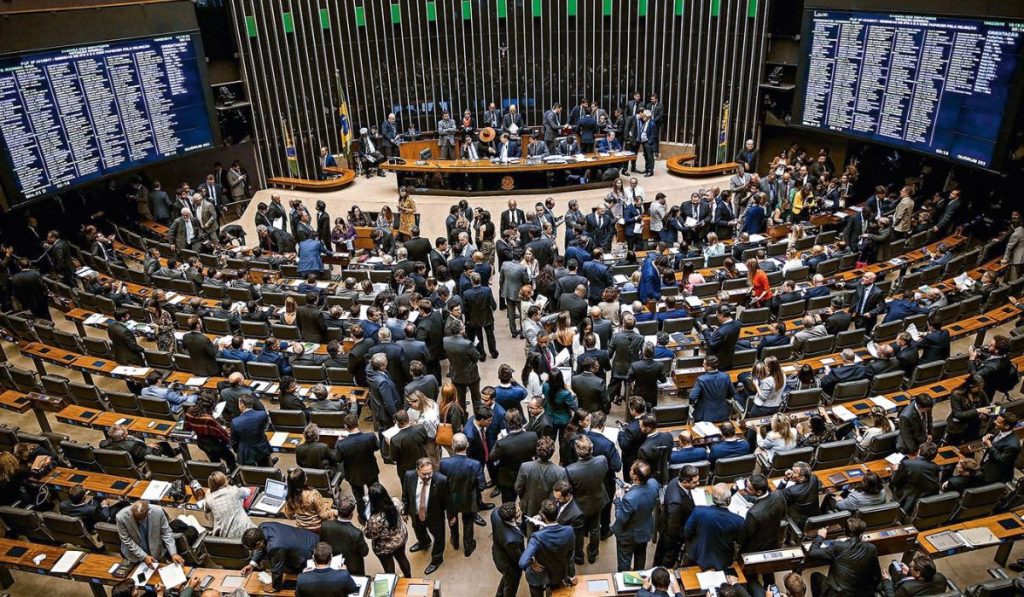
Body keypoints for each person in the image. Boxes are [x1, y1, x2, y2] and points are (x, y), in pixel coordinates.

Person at [807, 518, 881, 597]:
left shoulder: (838, 546)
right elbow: (877, 576)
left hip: (838, 594)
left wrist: (820, 537)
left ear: (845, 532)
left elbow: (812, 553)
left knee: (815, 576)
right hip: (863, 593)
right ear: (861, 534)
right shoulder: (871, 548)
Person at [566, 435, 610, 563]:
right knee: (595, 529)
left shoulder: (570, 470)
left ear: (577, 450)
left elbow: (568, 489)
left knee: (578, 532)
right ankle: (592, 553)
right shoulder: (602, 460)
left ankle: (579, 556)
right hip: (597, 500)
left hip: (579, 505)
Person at [519, 498, 577, 596]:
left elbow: (522, 562)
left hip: (538, 575)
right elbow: (570, 556)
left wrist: (532, 562)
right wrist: (571, 575)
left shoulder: (537, 537)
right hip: (558, 571)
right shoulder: (569, 531)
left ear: (543, 516)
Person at [402, 458, 450, 575]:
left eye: (430, 473)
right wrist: (405, 511)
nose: (428, 476)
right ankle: (424, 542)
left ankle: (436, 560)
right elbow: (406, 495)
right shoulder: (409, 476)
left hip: (435, 516)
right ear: (417, 470)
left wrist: (451, 516)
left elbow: (448, 500)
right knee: (418, 530)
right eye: (424, 474)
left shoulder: (441, 480)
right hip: (416, 513)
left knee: (439, 538)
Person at [440, 433, 485, 555]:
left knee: (452, 521)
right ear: (468, 445)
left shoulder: (443, 463)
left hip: (451, 500)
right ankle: (468, 547)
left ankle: (455, 542)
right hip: (469, 499)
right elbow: (482, 485)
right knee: (468, 522)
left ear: (452, 446)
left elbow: (440, 483)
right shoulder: (475, 464)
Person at [682, 482, 744, 571]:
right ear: (728, 500)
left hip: (697, 554)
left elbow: (687, 531)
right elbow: (740, 541)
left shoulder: (698, 511)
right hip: (723, 559)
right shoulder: (739, 520)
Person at [241, 522, 319, 591]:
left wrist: (275, 587)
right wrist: (252, 565)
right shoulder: (263, 527)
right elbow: (262, 546)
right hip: (308, 537)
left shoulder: (275, 547)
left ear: (258, 543)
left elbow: (276, 570)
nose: (253, 551)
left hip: (310, 552)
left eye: (252, 549)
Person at [611, 460, 659, 571]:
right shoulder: (653, 484)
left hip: (629, 535)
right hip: (645, 529)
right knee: (641, 555)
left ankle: (625, 580)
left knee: (624, 561)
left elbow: (620, 518)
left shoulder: (629, 499)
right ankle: (639, 575)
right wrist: (632, 488)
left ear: (635, 477)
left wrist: (618, 501)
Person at [335, 413, 380, 516]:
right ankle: (376, 512)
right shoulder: (370, 436)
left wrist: (338, 442)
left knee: (359, 498)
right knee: (375, 493)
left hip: (354, 475)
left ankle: (363, 516)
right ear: (358, 423)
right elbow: (377, 448)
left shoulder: (342, 444)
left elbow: (338, 459)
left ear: (346, 427)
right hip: (371, 471)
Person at [653, 465, 699, 568]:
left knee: (660, 551)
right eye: (695, 482)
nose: (698, 483)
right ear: (685, 482)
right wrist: (681, 538)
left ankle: (656, 566)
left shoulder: (675, 480)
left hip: (664, 523)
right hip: (671, 535)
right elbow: (673, 528)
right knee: (668, 557)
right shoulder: (677, 503)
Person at [363, 483, 412, 576]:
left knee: (388, 567)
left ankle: (392, 581)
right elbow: (402, 511)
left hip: (385, 547)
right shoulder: (396, 502)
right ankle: (408, 577)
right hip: (400, 538)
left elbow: (369, 535)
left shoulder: (375, 520)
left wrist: (366, 524)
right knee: (402, 558)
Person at [115, 500, 185, 566]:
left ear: (148, 512)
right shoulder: (121, 517)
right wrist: (144, 556)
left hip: (156, 552)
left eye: (141, 518)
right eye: (136, 518)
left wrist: (173, 553)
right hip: (133, 556)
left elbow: (166, 532)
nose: (139, 521)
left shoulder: (158, 511)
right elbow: (126, 539)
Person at [492, 410, 538, 504]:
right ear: (521, 420)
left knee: (508, 504)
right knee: (526, 502)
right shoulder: (533, 436)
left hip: (508, 479)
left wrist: (499, 439)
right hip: (527, 475)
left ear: (506, 423)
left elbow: (492, 457)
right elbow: (535, 453)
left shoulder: (502, 443)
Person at [516, 436, 568, 520]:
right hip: (549, 510)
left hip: (529, 506)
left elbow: (518, 488)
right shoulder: (560, 471)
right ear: (553, 452)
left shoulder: (525, 466)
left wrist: (525, 498)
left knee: (529, 529)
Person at [193, 471, 255, 538]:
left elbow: (207, 516)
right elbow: (248, 492)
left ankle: (198, 491)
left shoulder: (209, 498)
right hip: (247, 532)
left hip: (224, 538)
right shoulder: (233, 490)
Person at [318, 498, 369, 576]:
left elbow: (321, 543)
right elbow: (364, 552)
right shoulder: (356, 533)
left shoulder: (325, 525)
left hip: (331, 563)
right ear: (351, 515)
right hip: (352, 568)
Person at [891, 442, 940, 513]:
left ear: (919, 451)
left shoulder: (907, 463)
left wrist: (895, 470)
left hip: (909, 496)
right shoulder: (935, 466)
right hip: (925, 496)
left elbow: (894, 481)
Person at [491, 502, 526, 597]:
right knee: (511, 586)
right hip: (508, 565)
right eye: (518, 510)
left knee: (506, 578)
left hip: (498, 552)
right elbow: (518, 557)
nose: (519, 508)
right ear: (513, 518)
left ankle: (499, 594)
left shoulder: (495, 513)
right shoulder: (512, 539)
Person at [231, 393, 272, 466]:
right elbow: (265, 427)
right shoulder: (262, 414)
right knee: (266, 468)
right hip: (262, 447)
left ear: (242, 405)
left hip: (246, 451)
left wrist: (237, 450)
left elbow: (234, 440)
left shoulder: (235, 422)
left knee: (251, 473)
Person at [690, 355, 735, 422]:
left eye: (704, 363)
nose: (702, 364)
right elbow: (732, 393)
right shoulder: (725, 376)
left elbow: (692, 397)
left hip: (705, 416)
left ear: (709, 367)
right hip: (722, 413)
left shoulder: (701, 379)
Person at [881, 553, 948, 597]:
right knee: (894, 567)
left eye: (911, 567)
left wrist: (887, 581)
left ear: (918, 573)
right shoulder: (941, 578)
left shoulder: (906, 588)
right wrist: (910, 572)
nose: (910, 567)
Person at [777, 461, 821, 527]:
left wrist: (785, 479)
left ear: (802, 478)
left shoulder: (792, 491)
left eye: (794, 472)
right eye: (792, 470)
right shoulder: (814, 478)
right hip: (814, 514)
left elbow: (777, 496)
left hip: (799, 521)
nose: (791, 473)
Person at [981, 412, 1022, 484]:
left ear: (1007, 426)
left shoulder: (1013, 445)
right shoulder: (999, 430)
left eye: (998, 422)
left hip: (994, 475)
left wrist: (990, 446)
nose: (994, 422)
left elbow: (1001, 460)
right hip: (986, 465)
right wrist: (990, 438)